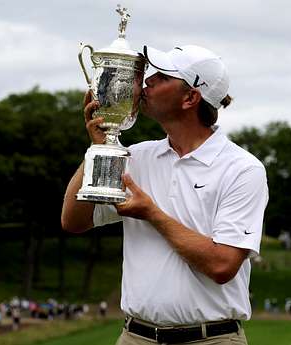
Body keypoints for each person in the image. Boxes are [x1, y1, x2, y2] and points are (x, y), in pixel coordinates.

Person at [62, 44, 268, 345]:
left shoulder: (242, 169)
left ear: (190, 98)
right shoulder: (137, 155)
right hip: (135, 336)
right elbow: (74, 220)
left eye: (162, 77)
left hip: (211, 339)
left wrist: (152, 213)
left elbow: (222, 265)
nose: (148, 82)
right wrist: (101, 148)